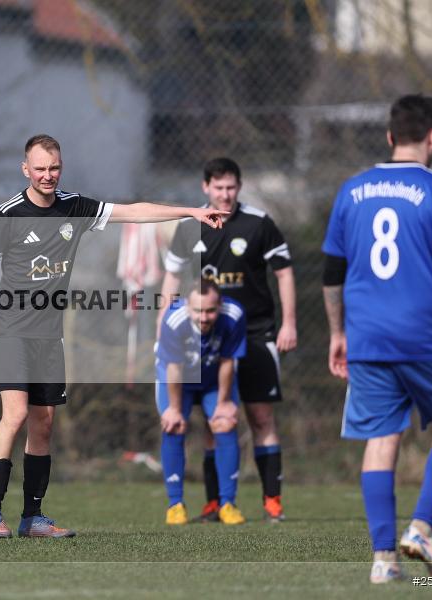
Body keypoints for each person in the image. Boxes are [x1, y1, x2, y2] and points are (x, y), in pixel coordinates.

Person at [0, 134, 227, 538]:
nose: (48, 176)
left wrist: (191, 211)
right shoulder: (8, 214)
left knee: (43, 424)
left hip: (49, 334)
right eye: (40, 169)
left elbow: (135, 212)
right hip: (11, 329)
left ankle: (33, 517)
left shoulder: (75, 207)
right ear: (25, 169)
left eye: (54, 168)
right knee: (14, 415)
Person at [323, 94, 432, 583]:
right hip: (426, 335)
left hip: (367, 335)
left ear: (390, 137)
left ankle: (382, 559)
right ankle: (421, 529)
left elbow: (332, 271)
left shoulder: (351, 190)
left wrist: (337, 332)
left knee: (380, 437)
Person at [158, 157, 296, 523]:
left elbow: (284, 273)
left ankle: (272, 500)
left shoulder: (258, 223)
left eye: (231, 187)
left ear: (239, 186)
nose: (225, 194)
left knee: (261, 416)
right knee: (214, 419)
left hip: (256, 330)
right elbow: (172, 277)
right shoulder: (191, 227)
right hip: (211, 334)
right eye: (218, 188)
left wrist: (289, 324)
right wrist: (162, 322)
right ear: (206, 187)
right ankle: (215, 502)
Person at [156, 277, 246, 526]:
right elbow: (173, 368)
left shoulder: (234, 315)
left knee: (225, 423)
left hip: (213, 378)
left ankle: (227, 503)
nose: (204, 317)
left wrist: (224, 403)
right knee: (173, 426)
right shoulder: (173, 320)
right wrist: (174, 410)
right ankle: (175, 505)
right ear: (187, 306)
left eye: (210, 310)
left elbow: (228, 360)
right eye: (198, 311)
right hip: (178, 380)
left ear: (220, 305)